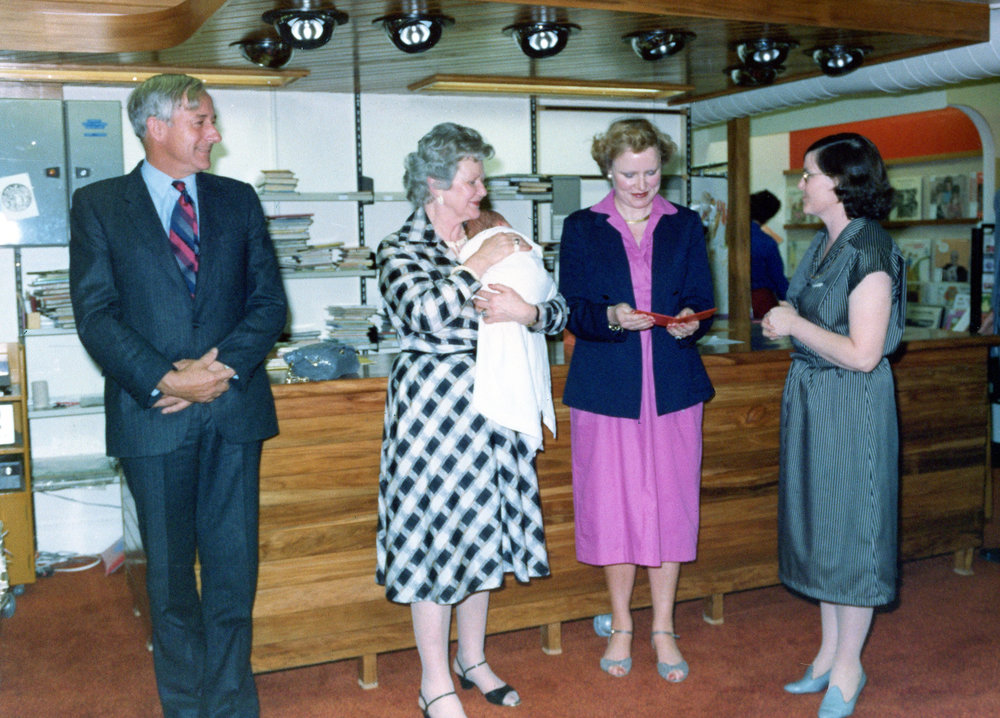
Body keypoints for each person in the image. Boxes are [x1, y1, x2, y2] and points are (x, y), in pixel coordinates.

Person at [69, 74, 288, 717]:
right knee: (167, 580)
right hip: (152, 417)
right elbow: (97, 315)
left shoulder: (238, 200)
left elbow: (269, 303)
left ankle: (231, 705)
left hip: (232, 410)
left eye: (212, 120)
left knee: (231, 573)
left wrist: (216, 373)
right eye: (201, 121)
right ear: (156, 127)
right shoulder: (100, 205)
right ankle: (186, 708)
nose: (214, 134)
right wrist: (167, 378)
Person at [375, 122, 569, 718]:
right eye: (471, 180)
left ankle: (473, 659)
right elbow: (426, 315)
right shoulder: (398, 249)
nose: (481, 191)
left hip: (497, 407)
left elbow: (558, 308)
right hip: (433, 413)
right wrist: (477, 264)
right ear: (434, 185)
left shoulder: (494, 230)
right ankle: (434, 679)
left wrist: (528, 310)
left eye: (480, 178)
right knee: (435, 539)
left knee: (483, 534)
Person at [558, 118, 715, 683]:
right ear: (608, 170)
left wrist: (689, 325)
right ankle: (622, 622)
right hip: (606, 388)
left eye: (651, 172)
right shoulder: (581, 227)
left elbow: (702, 298)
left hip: (673, 387)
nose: (642, 183)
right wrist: (608, 317)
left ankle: (664, 626)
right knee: (612, 506)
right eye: (629, 174)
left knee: (671, 504)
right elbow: (570, 308)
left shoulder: (686, 224)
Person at [761, 133, 904, 718]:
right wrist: (788, 324)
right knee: (820, 527)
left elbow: (864, 352)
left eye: (809, 175)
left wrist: (793, 325)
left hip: (852, 406)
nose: (801, 184)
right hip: (814, 400)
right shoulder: (824, 243)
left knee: (852, 532)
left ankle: (850, 666)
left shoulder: (869, 247)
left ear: (842, 183)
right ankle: (826, 654)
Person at [460, 209, 559, 452]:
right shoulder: (490, 245)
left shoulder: (519, 249)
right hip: (468, 391)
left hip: (488, 372)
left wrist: (528, 312)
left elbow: (561, 312)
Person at [749, 189, 790, 318]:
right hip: (762, 300)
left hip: (734, 299)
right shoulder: (766, 242)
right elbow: (777, 278)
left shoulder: (732, 234)